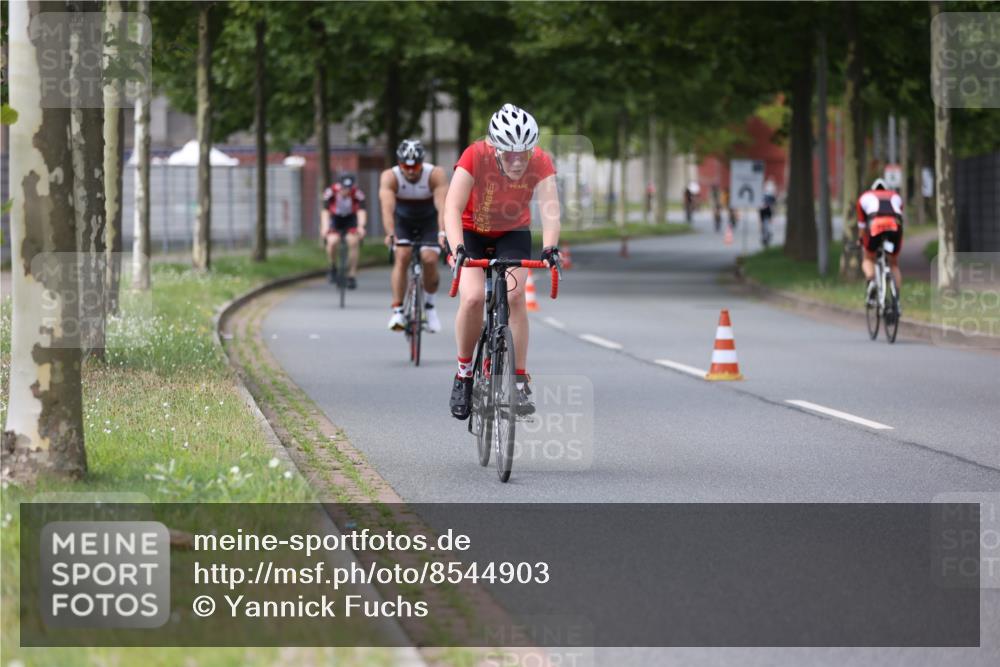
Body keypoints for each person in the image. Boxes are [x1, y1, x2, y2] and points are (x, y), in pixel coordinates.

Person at [444, 103, 562, 420]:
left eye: (523, 153)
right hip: (471, 232)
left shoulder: (540, 162)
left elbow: (550, 210)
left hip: (512, 231)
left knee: (514, 296)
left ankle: (519, 379)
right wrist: (457, 249)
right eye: (509, 153)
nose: (517, 160)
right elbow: (452, 208)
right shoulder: (474, 156)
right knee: (471, 297)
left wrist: (550, 248)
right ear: (494, 147)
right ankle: (464, 374)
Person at [380, 139, 449, 332]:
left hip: (429, 221)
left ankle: (430, 306)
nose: (410, 170)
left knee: (429, 258)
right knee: (402, 256)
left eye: (415, 166)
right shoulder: (390, 177)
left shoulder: (435, 174)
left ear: (422, 162)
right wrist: (390, 233)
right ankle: (398, 310)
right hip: (403, 222)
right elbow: (387, 208)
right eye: (405, 166)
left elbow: (442, 206)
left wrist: (443, 232)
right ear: (399, 163)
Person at [857, 178, 904, 305]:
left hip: (876, 226)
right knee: (894, 264)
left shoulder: (864, 197)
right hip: (895, 227)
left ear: (873, 189)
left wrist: (860, 241)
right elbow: (899, 215)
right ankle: (896, 299)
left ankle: (871, 281)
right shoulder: (895, 196)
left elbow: (862, 227)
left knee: (868, 258)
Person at [323, 174, 367, 287]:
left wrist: (361, 226)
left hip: (350, 219)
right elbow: (325, 211)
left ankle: (351, 275)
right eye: (343, 188)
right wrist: (325, 227)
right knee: (332, 241)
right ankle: (333, 266)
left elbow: (361, 211)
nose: (346, 191)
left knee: (353, 242)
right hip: (335, 219)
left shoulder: (357, 194)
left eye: (348, 188)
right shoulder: (330, 192)